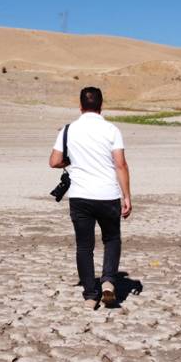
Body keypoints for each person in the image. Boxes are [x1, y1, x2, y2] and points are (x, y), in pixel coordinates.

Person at [49, 87, 132, 309]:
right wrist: (127, 196)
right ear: (101, 105)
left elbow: (54, 161)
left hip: (80, 197)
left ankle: (90, 296)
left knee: (84, 246)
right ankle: (108, 280)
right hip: (108, 195)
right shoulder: (111, 129)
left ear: (80, 106)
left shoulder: (68, 130)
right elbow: (120, 164)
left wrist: (73, 161)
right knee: (112, 239)